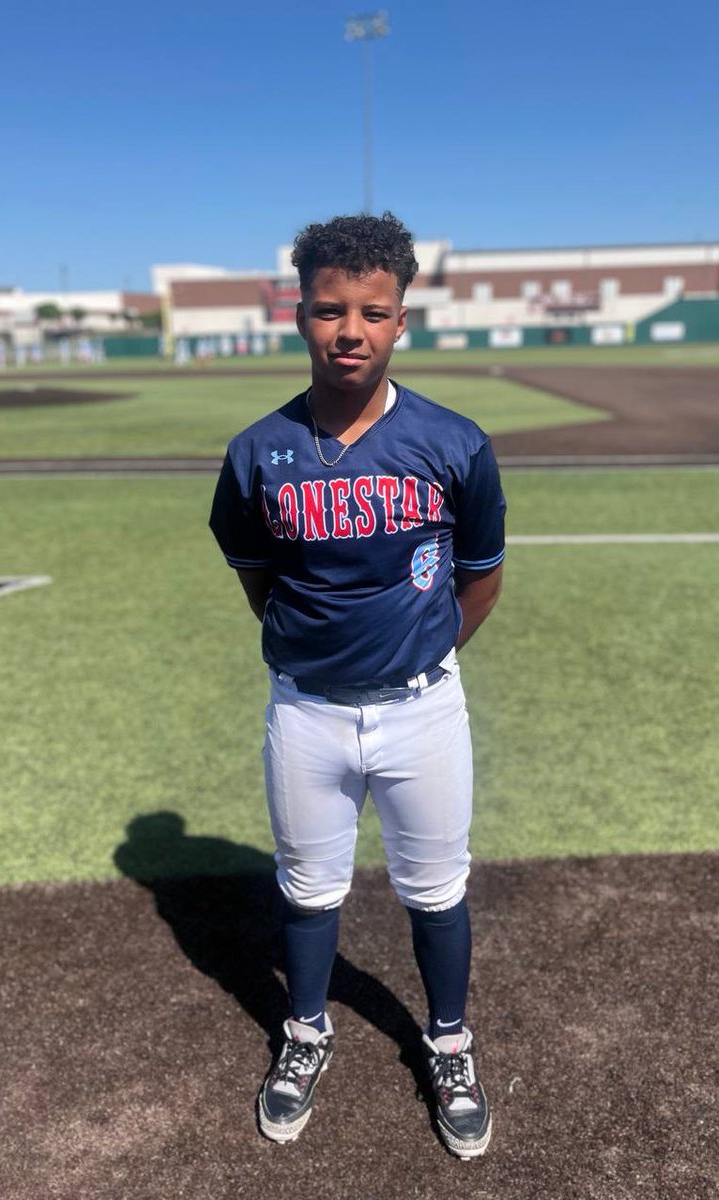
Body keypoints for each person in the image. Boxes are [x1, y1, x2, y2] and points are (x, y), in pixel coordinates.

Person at [209, 212, 506, 1160]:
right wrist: (325, 651)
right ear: (297, 314)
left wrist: (416, 655)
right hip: (306, 709)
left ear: (401, 320)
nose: (350, 330)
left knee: (435, 889)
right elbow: (259, 578)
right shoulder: (259, 451)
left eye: (373, 313)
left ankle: (449, 1041)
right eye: (329, 310)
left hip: (425, 707)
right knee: (308, 889)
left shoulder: (454, 442)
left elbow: (483, 574)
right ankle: (306, 1032)